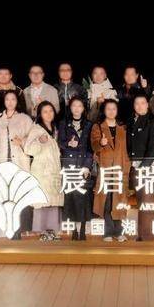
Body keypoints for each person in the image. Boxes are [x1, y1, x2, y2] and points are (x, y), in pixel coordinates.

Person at [0, 90, 34, 238]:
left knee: (19, 196)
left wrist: (22, 141)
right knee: (7, 197)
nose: (10, 102)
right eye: (7, 99)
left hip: (19, 163)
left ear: (17, 101)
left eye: (13, 99)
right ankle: (9, 227)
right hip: (3, 163)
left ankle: (19, 229)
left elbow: (33, 138)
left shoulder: (24, 118)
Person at [90, 99, 130, 242]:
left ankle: (119, 232)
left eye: (114, 108)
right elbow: (94, 145)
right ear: (104, 110)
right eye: (108, 108)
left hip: (120, 167)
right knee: (106, 201)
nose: (111, 111)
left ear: (117, 111)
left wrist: (127, 165)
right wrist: (100, 143)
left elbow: (127, 148)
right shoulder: (98, 127)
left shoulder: (123, 128)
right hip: (106, 168)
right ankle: (108, 232)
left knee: (119, 200)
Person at [25, 101, 64, 240]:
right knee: (42, 201)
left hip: (54, 170)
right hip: (41, 171)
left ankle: (53, 231)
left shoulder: (55, 129)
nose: (48, 114)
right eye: (45, 111)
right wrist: (39, 142)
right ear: (40, 114)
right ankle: (43, 232)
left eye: (51, 111)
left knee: (53, 202)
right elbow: (28, 149)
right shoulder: (36, 129)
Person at [126, 93, 154, 241]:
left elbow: (153, 149)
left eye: (142, 103)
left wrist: (143, 167)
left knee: (146, 203)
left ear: (147, 104)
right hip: (134, 167)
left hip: (148, 168)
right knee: (141, 201)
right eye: (137, 103)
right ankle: (142, 234)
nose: (139, 106)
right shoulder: (131, 121)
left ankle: (146, 236)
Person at [58, 96, 93, 240]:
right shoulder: (63, 123)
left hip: (83, 165)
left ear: (84, 108)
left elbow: (91, 148)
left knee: (83, 198)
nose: (77, 108)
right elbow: (60, 142)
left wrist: (87, 166)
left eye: (80, 106)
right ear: (70, 108)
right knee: (71, 197)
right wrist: (68, 144)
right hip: (69, 166)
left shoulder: (89, 125)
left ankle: (83, 229)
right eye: (74, 106)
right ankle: (73, 230)